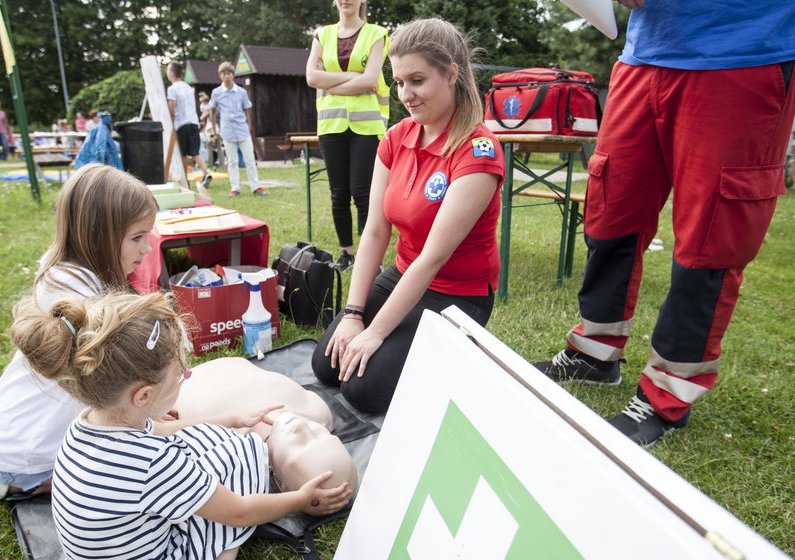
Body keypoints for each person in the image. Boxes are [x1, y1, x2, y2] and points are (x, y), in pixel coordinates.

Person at [533, 0, 795, 448]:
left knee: (709, 242)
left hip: (744, 53)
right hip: (644, 55)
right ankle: (594, 355)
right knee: (610, 217)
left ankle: (667, 396)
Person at [10, 291, 351, 560]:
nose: (187, 374)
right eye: (181, 373)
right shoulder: (153, 465)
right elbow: (239, 511)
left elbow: (162, 431)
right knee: (244, 451)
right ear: (143, 396)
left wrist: (230, 420)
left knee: (211, 436)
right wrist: (299, 498)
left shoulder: (88, 424)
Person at [311, 18, 505, 413]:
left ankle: (460, 356)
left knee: (363, 390)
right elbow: (376, 231)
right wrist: (353, 314)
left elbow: (434, 258)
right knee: (327, 364)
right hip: (402, 274)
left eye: (417, 80)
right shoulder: (398, 136)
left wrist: (376, 332)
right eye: (399, 82)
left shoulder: (478, 151)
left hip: (457, 293)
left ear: (451, 73)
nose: (406, 94)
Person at [0, 163, 158, 501]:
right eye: (136, 238)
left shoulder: (66, 274)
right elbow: (118, 384)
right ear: (97, 233)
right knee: (141, 464)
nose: (146, 249)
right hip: (27, 455)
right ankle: (34, 485)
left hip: (12, 440)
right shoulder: (78, 298)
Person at [175, 357, 359, 494]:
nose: (301, 427)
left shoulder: (226, 446)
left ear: (279, 482)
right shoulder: (317, 412)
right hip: (233, 365)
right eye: (323, 435)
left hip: (185, 382)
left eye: (300, 446)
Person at [305, 0, 390, 270]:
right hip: (331, 125)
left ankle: (368, 256)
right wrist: (354, 76)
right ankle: (347, 253)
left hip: (366, 126)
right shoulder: (322, 34)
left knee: (363, 193)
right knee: (338, 193)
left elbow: (371, 80)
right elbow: (311, 78)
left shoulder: (377, 33)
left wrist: (332, 81)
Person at [209, 62, 267, 196]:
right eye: (224, 74)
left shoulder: (241, 92)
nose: (227, 76)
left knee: (250, 159)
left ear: (233, 75)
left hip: (242, 128)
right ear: (220, 76)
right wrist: (214, 128)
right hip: (227, 130)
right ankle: (235, 187)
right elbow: (212, 110)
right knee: (232, 161)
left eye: (229, 74)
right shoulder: (216, 93)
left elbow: (247, 109)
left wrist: (250, 126)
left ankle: (255, 186)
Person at [167, 61, 213, 189]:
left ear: (171, 72)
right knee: (195, 152)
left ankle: (184, 179)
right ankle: (206, 172)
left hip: (181, 124)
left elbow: (172, 107)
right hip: (193, 122)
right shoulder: (188, 87)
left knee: (182, 153)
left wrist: (170, 121)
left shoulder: (172, 88)